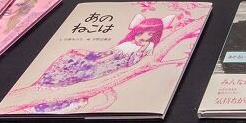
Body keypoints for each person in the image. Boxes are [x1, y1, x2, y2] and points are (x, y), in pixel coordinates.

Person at [32, 16, 164, 88]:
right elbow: (108, 53)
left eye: (150, 34)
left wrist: (141, 48)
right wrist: (89, 55)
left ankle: (49, 83)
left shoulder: (147, 46)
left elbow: (129, 62)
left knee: (81, 67)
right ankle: (44, 81)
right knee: (70, 56)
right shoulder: (128, 43)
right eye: (141, 32)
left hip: (107, 65)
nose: (142, 36)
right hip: (101, 58)